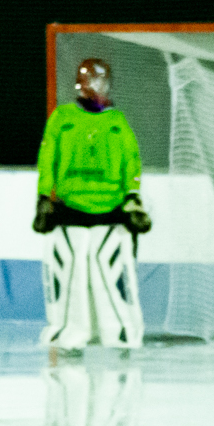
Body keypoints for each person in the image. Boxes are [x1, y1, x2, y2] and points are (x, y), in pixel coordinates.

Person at [34, 58, 153, 352]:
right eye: (94, 80)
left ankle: (124, 333)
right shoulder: (62, 118)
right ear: (82, 82)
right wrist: (43, 198)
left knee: (109, 271)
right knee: (70, 272)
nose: (100, 86)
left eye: (103, 80)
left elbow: (132, 161)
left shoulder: (117, 121)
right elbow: (48, 159)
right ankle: (66, 333)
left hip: (110, 212)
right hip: (69, 211)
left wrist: (132, 197)